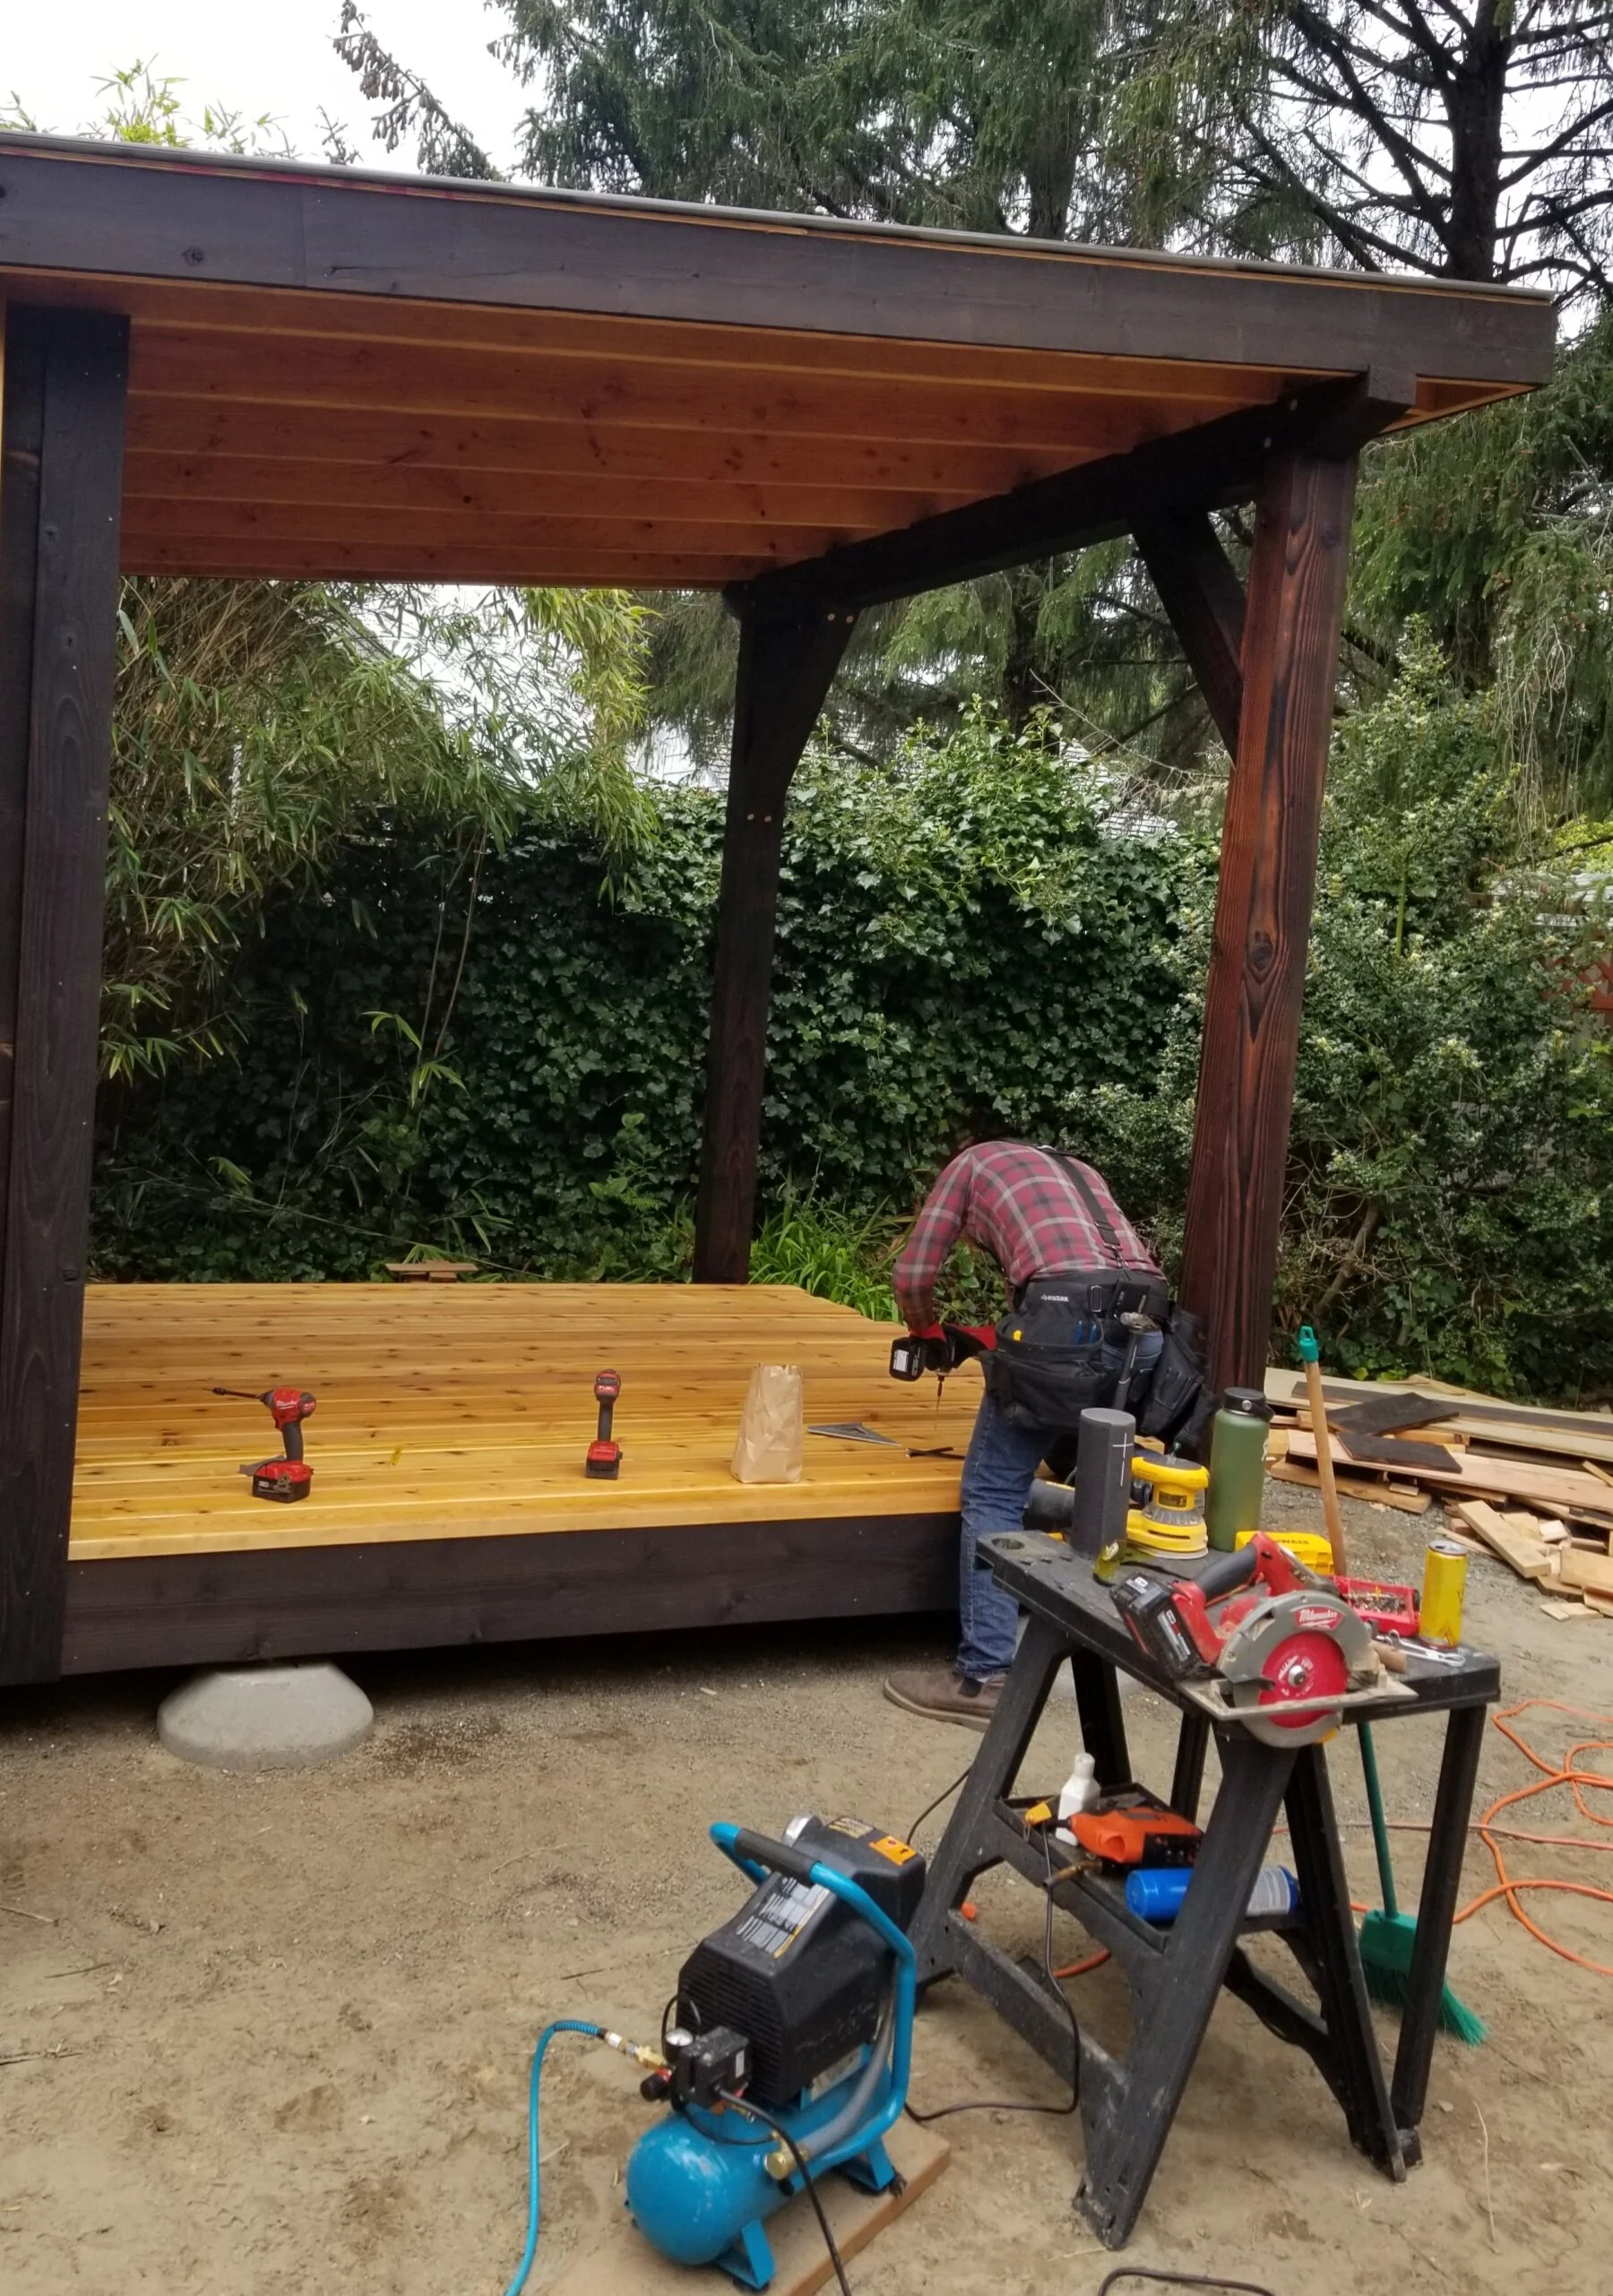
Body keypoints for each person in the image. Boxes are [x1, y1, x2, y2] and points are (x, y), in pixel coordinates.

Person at [882, 1140, 1166, 1731]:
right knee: (1093, 1457)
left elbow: (911, 1276)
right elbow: (1080, 1294)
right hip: (1147, 1323)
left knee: (992, 1490)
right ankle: (1112, 1629)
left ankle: (985, 1675)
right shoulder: (1079, 1168)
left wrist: (925, 1328)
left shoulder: (966, 1167)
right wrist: (984, 1342)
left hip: (1068, 1325)